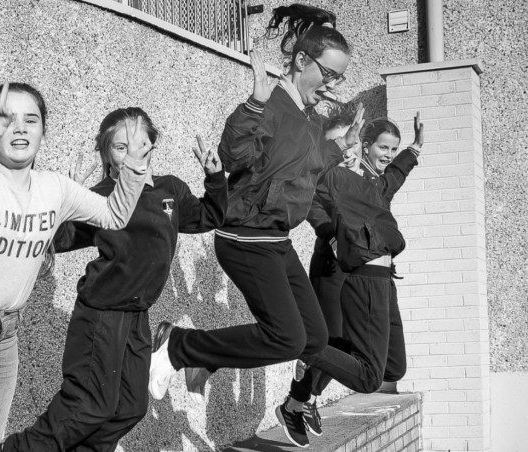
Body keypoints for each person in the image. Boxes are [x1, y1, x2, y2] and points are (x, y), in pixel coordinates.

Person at [0, 78, 152, 451]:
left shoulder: (54, 188)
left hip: (5, 337)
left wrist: (133, 169)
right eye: (8, 119)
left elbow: (114, 215)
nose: (20, 128)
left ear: (43, 131)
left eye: (32, 119)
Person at [149, 3, 364, 401]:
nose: (332, 84)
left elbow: (306, 168)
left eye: (340, 77)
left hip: (276, 240)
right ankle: (179, 345)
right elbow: (232, 157)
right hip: (244, 236)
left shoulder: (313, 120)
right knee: (286, 338)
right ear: (302, 60)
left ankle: (205, 356)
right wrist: (253, 106)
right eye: (328, 73)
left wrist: (343, 149)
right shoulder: (272, 104)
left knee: (313, 339)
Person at [1, 108, 228, 451]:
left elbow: (208, 216)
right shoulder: (102, 194)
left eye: (139, 144)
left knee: (129, 408)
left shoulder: (170, 190)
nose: (131, 153)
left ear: (152, 146)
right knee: (88, 405)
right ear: (107, 153)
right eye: (121, 147)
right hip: (101, 313)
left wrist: (215, 178)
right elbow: (61, 240)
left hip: (137, 317)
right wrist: (63, 202)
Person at [279, 115, 424, 448]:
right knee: (333, 336)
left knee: (370, 355)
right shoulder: (330, 175)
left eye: (392, 149)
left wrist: (413, 151)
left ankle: (307, 394)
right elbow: (311, 205)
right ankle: (300, 399)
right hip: (334, 266)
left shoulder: (368, 180)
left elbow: (392, 179)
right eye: (382, 147)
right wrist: (332, 238)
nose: (386, 153)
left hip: (368, 271)